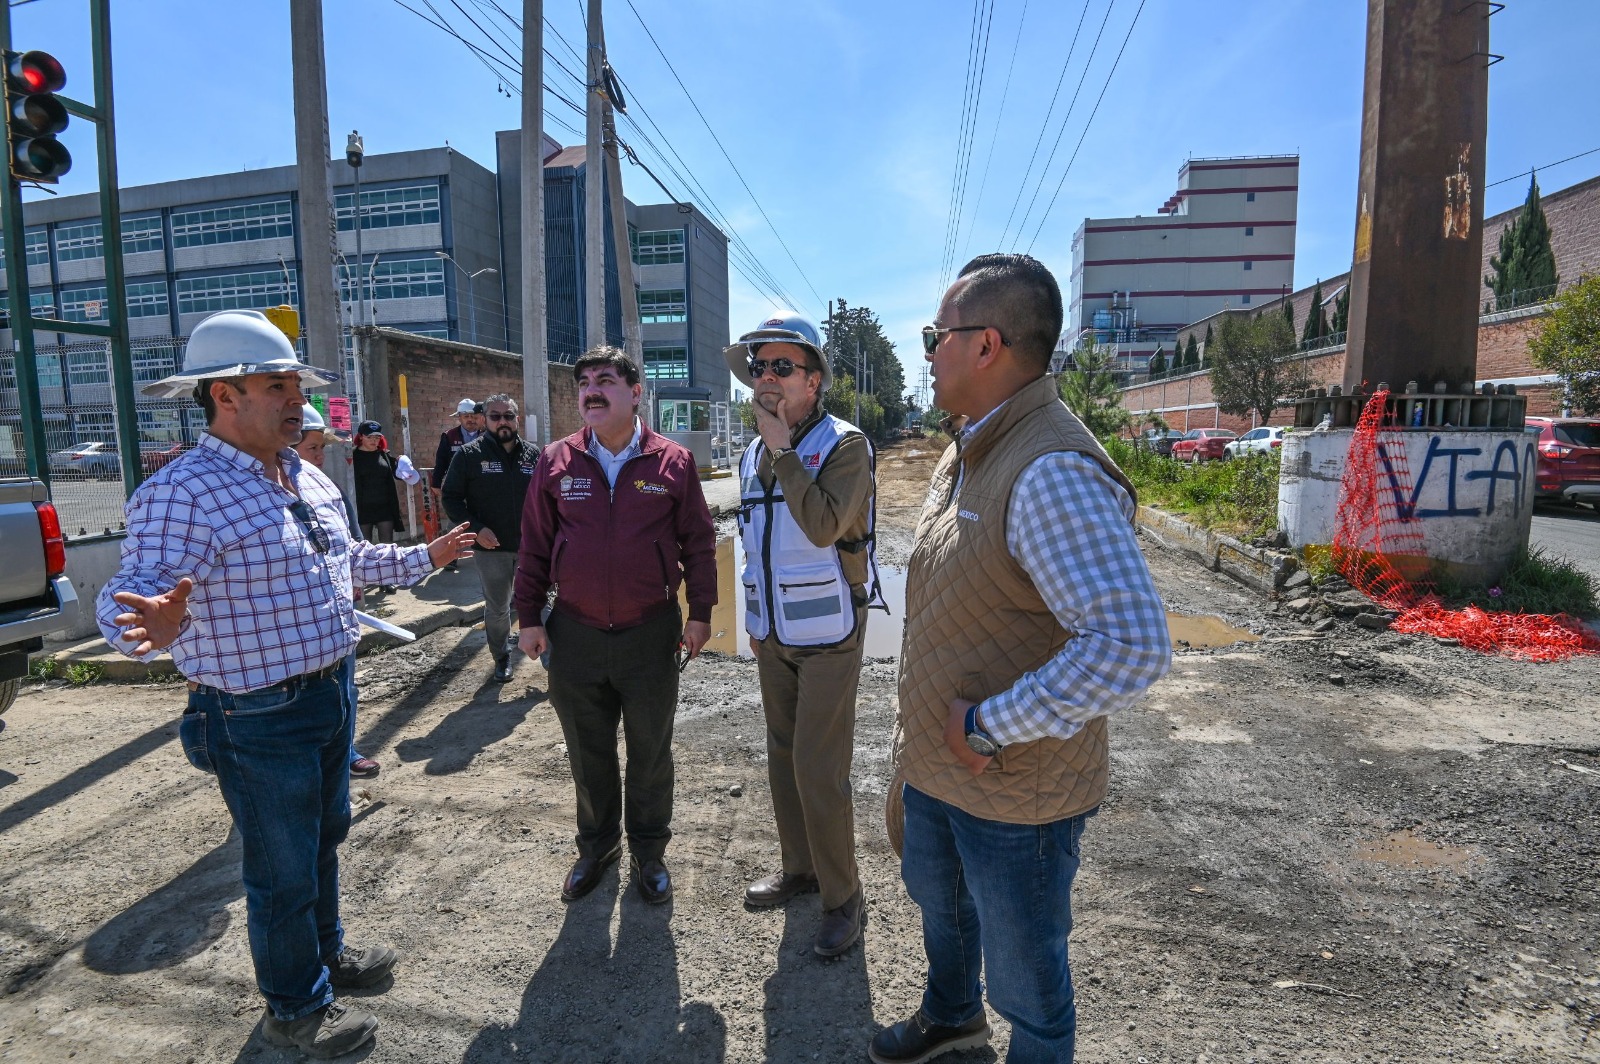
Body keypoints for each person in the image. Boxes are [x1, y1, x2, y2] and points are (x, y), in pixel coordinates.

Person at [96, 308, 475, 1059]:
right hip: (254, 713)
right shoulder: (185, 492)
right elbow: (130, 599)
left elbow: (348, 565)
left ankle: (323, 960)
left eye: (295, 384)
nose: (296, 401)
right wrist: (151, 629)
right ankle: (295, 1008)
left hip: (330, 691)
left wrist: (423, 557)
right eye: (277, 385)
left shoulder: (304, 475)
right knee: (280, 867)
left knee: (323, 839)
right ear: (224, 394)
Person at [871, 255, 1170, 1064]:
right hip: (943, 765)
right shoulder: (971, 444)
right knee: (945, 911)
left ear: (987, 345)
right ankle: (952, 1017)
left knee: (1028, 975)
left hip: (1012, 787)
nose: (927, 350)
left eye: (937, 335)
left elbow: (1132, 643)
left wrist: (993, 725)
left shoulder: (1048, 471)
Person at [513, 346, 716, 906]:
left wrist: (701, 613)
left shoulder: (672, 461)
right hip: (574, 633)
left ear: (635, 393)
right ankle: (597, 847)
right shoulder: (556, 460)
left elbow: (699, 543)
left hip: (649, 631)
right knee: (588, 750)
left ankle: (650, 853)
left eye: (605, 380)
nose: (591, 390)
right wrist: (528, 616)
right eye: (583, 382)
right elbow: (533, 544)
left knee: (650, 751)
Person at [722, 312, 884, 958]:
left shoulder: (843, 447)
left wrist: (784, 451)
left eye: (781, 368)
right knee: (784, 760)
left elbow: (820, 527)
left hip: (829, 632)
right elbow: (752, 544)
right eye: (758, 368)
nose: (765, 378)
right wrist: (754, 622)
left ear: (813, 382)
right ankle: (800, 868)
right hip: (775, 633)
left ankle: (844, 898)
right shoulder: (751, 453)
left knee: (820, 769)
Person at [294, 405, 381, 780]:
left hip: (335, 623)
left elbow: (353, 542)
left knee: (344, 693)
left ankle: (343, 752)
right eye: (312, 448)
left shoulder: (322, 486)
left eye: (320, 448)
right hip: (290, 636)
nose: (318, 456)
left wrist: (355, 581)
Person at [442, 392, 540, 682]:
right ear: (485, 420)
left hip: (530, 548)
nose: (503, 422)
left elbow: (547, 499)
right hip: (491, 549)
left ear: (517, 419)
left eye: (508, 416)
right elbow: (451, 499)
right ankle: (501, 657)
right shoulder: (468, 455)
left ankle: (551, 657)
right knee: (498, 609)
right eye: (495, 417)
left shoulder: (533, 455)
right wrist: (476, 528)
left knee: (540, 602)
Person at [352, 421, 403, 595]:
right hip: (363, 508)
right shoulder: (353, 457)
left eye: (377, 437)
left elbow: (400, 474)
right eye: (370, 437)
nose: (374, 441)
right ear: (361, 437)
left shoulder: (384, 455)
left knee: (386, 545)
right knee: (362, 546)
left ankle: (386, 580)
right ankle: (362, 582)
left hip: (384, 507)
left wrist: (403, 466)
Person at [432, 399, 483, 573]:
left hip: (480, 485)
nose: (470, 419)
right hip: (456, 486)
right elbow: (441, 462)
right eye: (465, 416)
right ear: (459, 418)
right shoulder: (449, 436)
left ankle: (486, 552)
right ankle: (450, 556)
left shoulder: (487, 435)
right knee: (454, 520)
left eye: (473, 416)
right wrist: (436, 484)